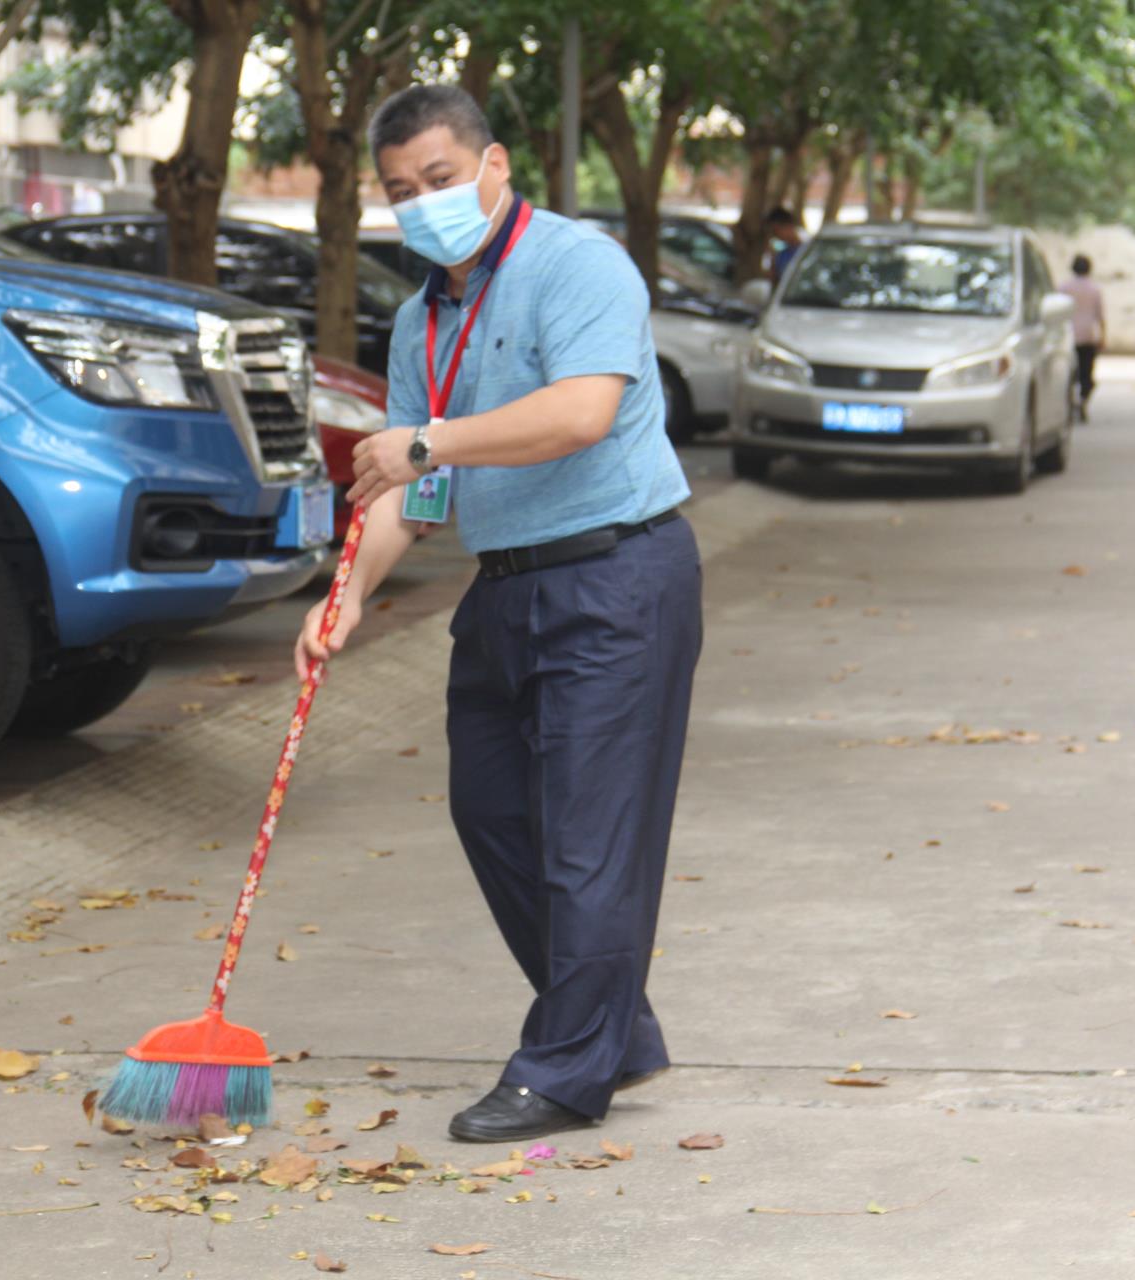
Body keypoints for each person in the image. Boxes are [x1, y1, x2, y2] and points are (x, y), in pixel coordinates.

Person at [295, 83, 701, 1144]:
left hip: (617, 575)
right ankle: (617, 1030)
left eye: (438, 178)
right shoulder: (420, 322)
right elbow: (410, 498)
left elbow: (580, 412)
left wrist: (427, 442)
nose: (423, 202)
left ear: (494, 165)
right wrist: (346, 598)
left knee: (586, 838)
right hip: (507, 586)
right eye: (400, 191)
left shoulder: (578, 265)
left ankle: (566, 1068)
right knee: (493, 813)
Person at [1057, 254, 1106, 421]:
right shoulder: (1094, 289)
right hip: (1087, 337)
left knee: (1069, 375)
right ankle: (1082, 400)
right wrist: (1103, 337)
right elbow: (1100, 316)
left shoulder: (1063, 288)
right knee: (1087, 375)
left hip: (1067, 338)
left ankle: (1071, 403)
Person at [766, 206, 804, 284]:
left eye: (776, 231)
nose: (776, 236)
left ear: (789, 226)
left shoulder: (806, 251)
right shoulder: (782, 254)